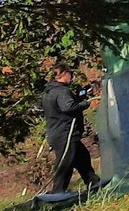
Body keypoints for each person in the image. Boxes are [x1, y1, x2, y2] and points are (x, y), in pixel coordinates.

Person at [41, 64, 104, 194]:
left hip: (59, 134)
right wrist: (84, 104)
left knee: (82, 158)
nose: (72, 77)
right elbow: (68, 108)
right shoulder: (61, 91)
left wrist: (78, 99)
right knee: (65, 164)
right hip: (65, 134)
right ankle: (57, 193)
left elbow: (63, 106)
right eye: (70, 74)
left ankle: (94, 183)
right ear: (64, 74)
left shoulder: (50, 91)